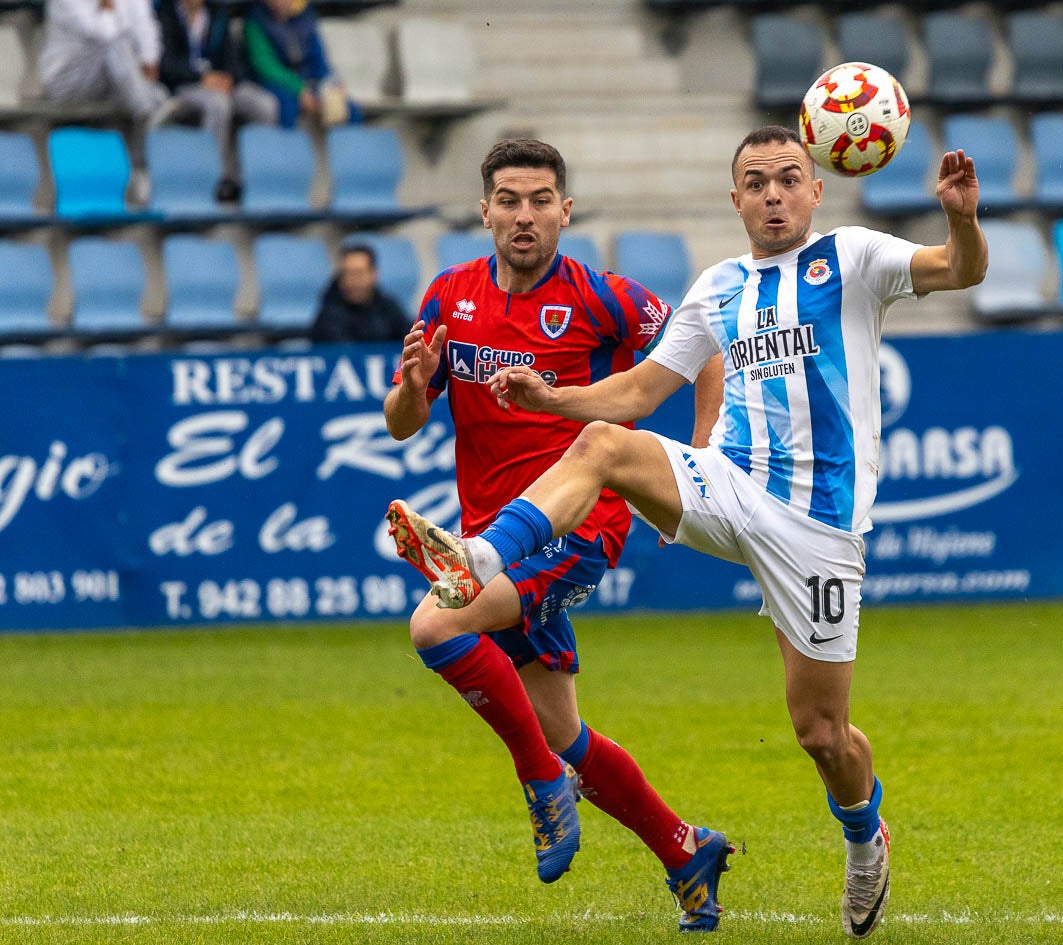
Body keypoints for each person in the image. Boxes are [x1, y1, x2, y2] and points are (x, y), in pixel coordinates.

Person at [385, 125, 987, 939]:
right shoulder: (718, 287)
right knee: (601, 446)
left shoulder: (852, 256)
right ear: (733, 199)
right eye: (755, 182)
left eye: (787, 179)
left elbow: (958, 270)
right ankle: (480, 557)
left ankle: (862, 832)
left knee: (821, 733)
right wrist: (551, 399)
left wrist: (959, 220)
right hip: (729, 484)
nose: (772, 194)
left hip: (816, 524)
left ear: (814, 191)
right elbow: (632, 395)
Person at [381, 138, 732, 929]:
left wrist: (702, 448)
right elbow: (401, 424)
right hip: (492, 536)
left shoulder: (603, 297)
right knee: (563, 728)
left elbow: (702, 346)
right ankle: (685, 849)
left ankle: (539, 782)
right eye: (508, 199)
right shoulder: (450, 296)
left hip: (580, 526)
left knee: (435, 623)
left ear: (565, 211)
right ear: (484, 211)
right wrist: (410, 385)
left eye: (540, 199)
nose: (524, 215)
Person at [39, 0, 170, 201]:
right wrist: (109, 8)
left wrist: (148, 59)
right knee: (115, 46)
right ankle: (152, 110)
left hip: (105, 79)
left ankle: (142, 164)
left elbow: (145, 25)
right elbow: (103, 34)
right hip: (64, 81)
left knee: (127, 66)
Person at [155, 0, 280, 203]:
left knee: (266, 105)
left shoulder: (217, 14)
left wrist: (228, 77)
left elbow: (232, 58)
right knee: (218, 104)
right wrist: (201, 78)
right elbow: (166, 65)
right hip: (184, 87)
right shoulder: (165, 15)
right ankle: (214, 178)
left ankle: (253, 179)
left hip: (220, 84)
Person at [243, 0, 359, 129]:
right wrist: (300, 90)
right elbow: (266, 67)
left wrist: (332, 82)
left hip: (308, 81)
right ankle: (286, 147)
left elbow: (319, 59)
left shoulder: (305, 17)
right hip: (274, 83)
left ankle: (347, 148)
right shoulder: (255, 21)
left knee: (347, 107)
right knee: (287, 106)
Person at [310, 244, 408, 343]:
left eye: (359, 273)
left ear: (374, 274)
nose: (353, 281)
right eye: (347, 274)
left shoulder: (388, 307)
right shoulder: (329, 314)